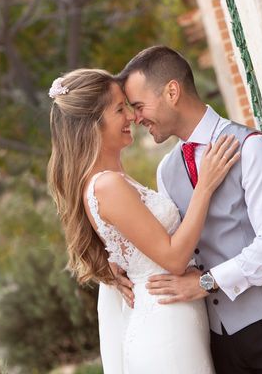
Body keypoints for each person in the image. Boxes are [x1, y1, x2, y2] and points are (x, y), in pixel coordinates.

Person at [115, 46, 262, 374]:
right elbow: (178, 248)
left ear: (172, 92)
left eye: (138, 106)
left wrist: (206, 282)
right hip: (215, 340)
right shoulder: (167, 170)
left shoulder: (250, 147)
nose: (136, 118)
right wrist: (118, 265)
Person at [47, 68, 241, 373]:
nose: (132, 117)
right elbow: (175, 258)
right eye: (120, 109)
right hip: (165, 332)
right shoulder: (107, 185)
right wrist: (205, 186)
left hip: (177, 321)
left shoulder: (112, 181)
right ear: (92, 124)